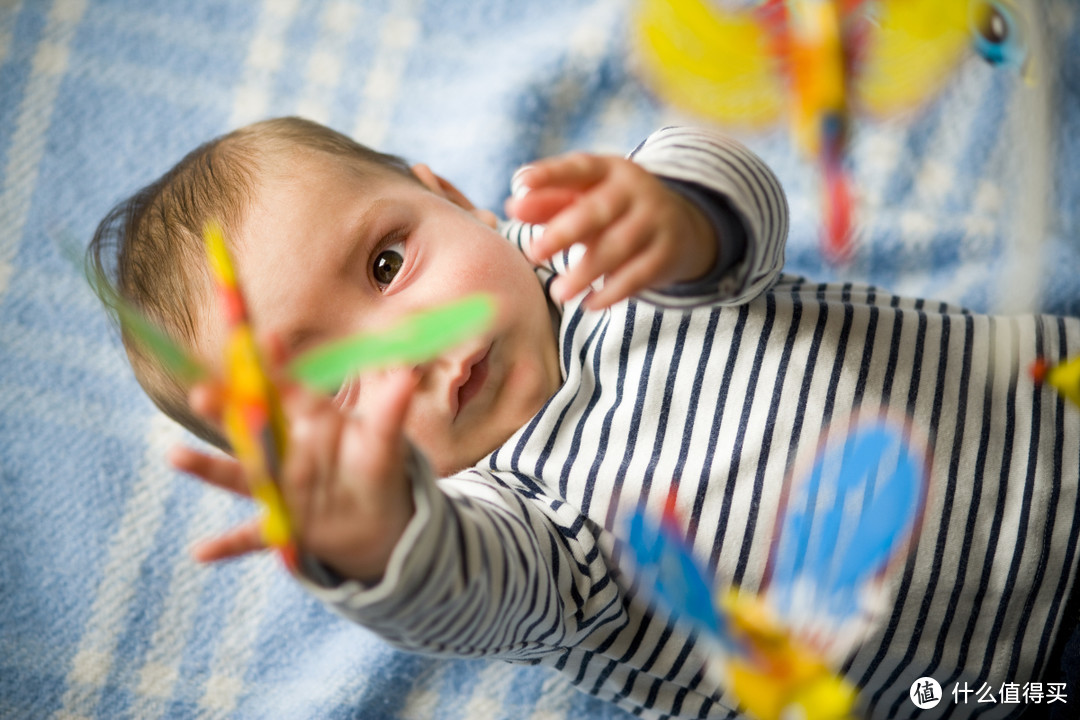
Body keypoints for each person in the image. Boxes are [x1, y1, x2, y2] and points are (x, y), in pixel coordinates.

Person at [89, 117, 1080, 719]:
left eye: (389, 264)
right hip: (1005, 666)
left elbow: (745, 233)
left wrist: (678, 212)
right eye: (336, 381)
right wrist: (375, 537)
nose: (415, 344)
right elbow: (462, 593)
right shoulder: (511, 524)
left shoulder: (590, 253)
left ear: (453, 199)